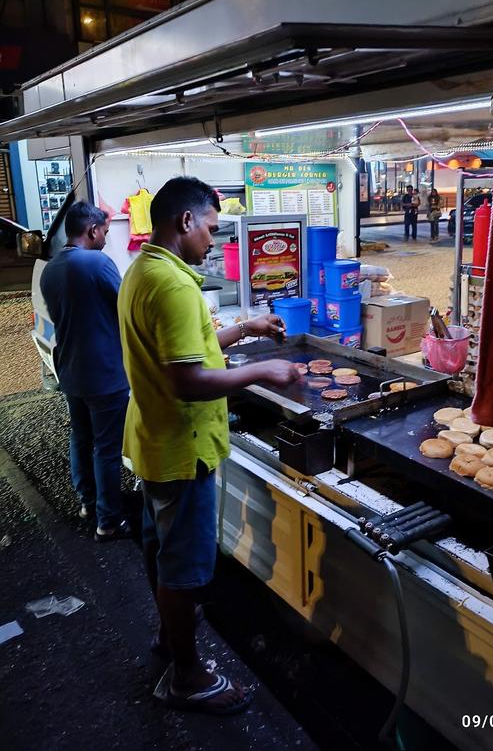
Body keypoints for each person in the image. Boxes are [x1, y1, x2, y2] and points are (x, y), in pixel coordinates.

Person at [117, 176, 300, 716]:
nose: (215, 241)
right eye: (212, 230)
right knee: (185, 569)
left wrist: (245, 330)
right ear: (185, 221)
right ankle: (187, 677)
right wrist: (265, 370)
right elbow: (187, 379)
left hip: (154, 441)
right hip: (183, 447)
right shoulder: (174, 286)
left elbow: (183, 351)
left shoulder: (145, 270)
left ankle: (167, 638)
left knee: (160, 551)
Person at [41, 201, 131, 542]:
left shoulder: (51, 268)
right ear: (92, 230)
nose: (107, 239)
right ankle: (109, 522)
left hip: (70, 369)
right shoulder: (96, 262)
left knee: (80, 438)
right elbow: (127, 307)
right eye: (106, 232)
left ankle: (88, 504)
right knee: (106, 448)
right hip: (104, 373)